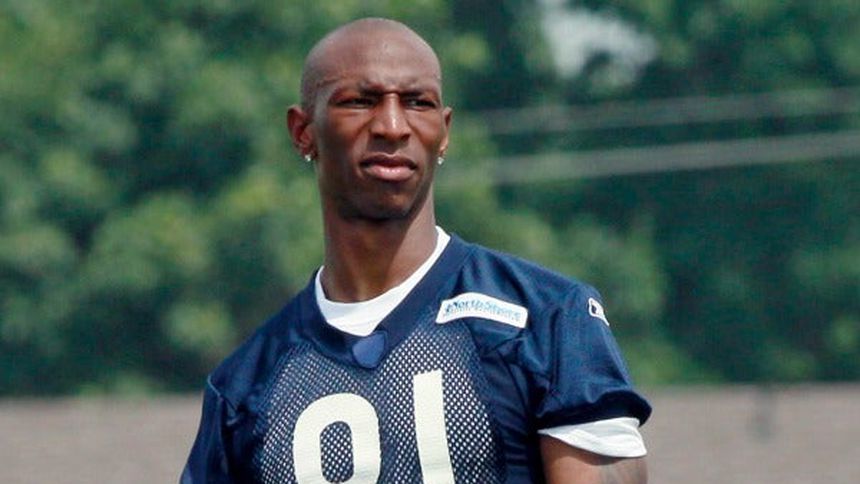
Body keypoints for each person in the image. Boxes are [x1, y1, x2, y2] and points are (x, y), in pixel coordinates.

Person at [182, 17, 651, 484]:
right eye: (359, 101)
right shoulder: (243, 387)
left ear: (443, 131)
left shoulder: (546, 319)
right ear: (303, 131)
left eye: (417, 103)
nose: (392, 126)